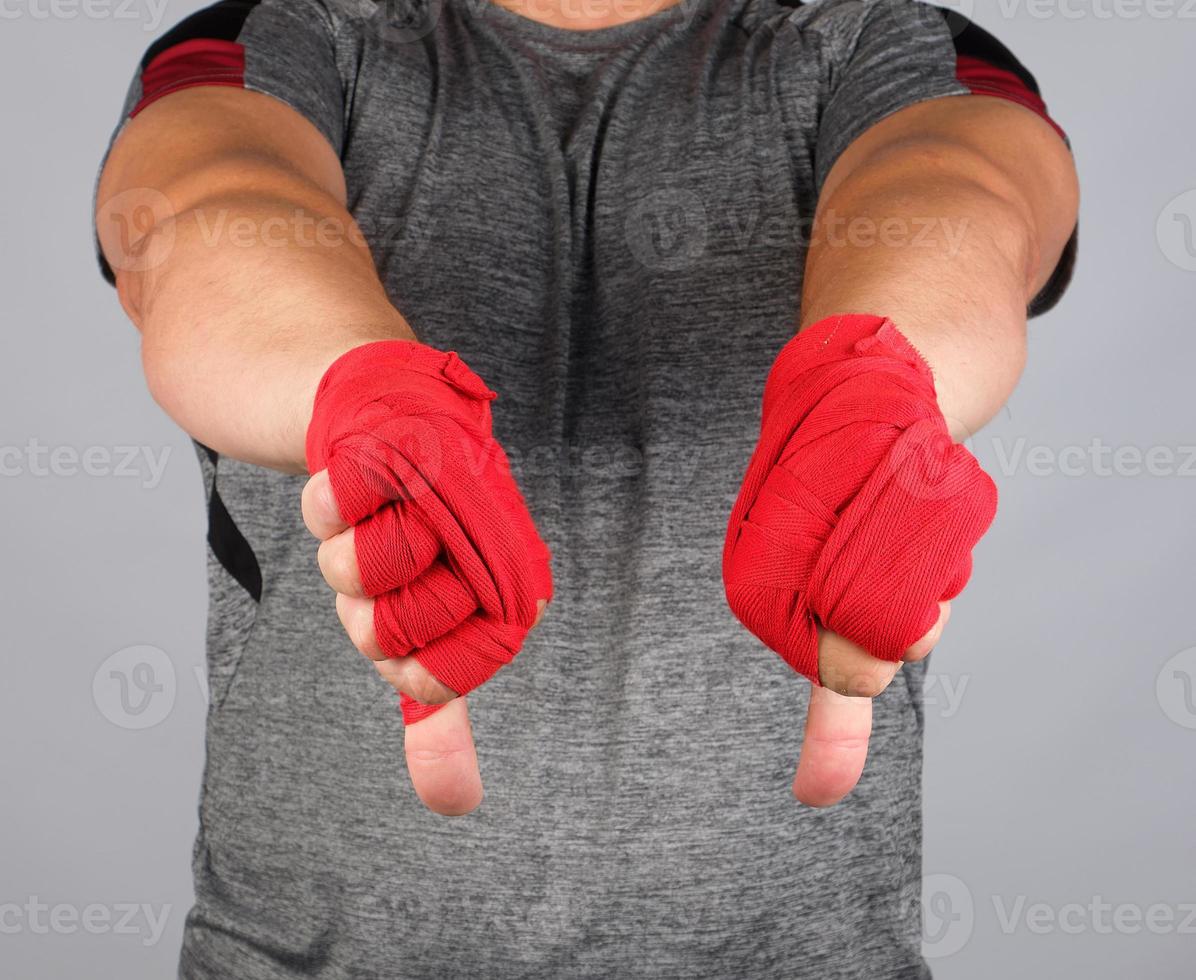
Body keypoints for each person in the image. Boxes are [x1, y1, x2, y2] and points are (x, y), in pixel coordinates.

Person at [93, 0, 1078, 974]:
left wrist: (870, 382)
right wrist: (367, 397)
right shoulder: (282, 32)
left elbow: (963, 195)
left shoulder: (882, 38)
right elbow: (203, 210)